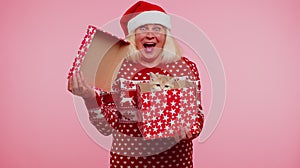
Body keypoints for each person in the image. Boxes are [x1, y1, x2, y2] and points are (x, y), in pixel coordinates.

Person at [68, 1, 204, 167]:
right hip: (128, 162)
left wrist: (188, 130)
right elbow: (106, 128)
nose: (149, 34)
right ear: (132, 36)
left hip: (176, 162)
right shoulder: (116, 68)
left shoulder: (185, 68)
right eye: (143, 28)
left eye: (157, 28)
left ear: (166, 35)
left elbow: (197, 117)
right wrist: (90, 98)